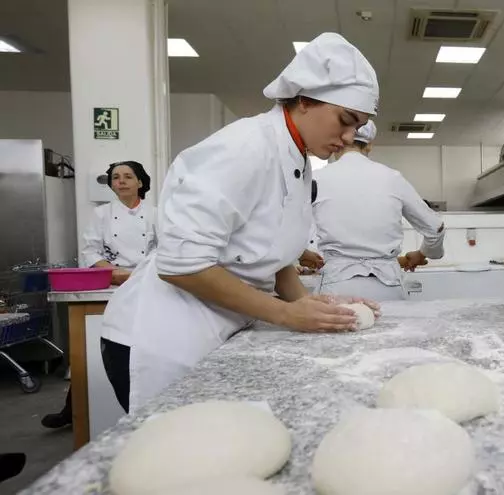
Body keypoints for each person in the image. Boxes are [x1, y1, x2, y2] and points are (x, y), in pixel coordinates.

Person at [100, 32, 381, 412]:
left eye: (357, 128)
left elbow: (272, 254)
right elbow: (180, 265)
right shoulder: (245, 147)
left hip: (219, 328)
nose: (348, 138)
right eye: (345, 120)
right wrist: (286, 314)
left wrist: (315, 307)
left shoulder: (296, 158)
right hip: (164, 336)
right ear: (303, 100)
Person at [41, 161, 156, 428]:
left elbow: (164, 251)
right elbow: (90, 250)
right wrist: (114, 272)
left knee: (138, 349)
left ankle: (144, 408)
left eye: (128, 176)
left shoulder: (156, 214)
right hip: (111, 284)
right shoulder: (101, 214)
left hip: (146, 285)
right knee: (94, 349)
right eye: (116, 177)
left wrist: (138, 274)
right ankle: (76, 409)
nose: (121, 181)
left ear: (140, 182)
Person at [311, 120, 445, 300]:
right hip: (387, 285)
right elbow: (436, 228)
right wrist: (423, 253)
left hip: (336, 285)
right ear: (369, 145)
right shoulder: (392, 178)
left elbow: (285, 230)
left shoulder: (316, 178)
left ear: (337, 142)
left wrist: (303, 254)